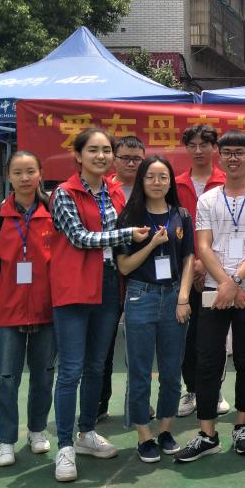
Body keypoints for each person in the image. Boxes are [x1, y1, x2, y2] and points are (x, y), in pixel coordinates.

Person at [49, 127, 150, 482]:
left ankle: (86, 432)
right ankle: (64, 446)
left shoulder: (114, 193)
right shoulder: (64, 193)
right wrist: (127, 234)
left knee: (96, 366)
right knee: (71, 370)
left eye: (106, 150)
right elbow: (79, 238)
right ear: (78, 156)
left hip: (108, 285)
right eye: (93, 150)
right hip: (74, 287)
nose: (101, 156)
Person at [176, 131, 245, 462]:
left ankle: (242, 427)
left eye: (240, 153)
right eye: (228, 152)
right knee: (208, 358)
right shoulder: (208, 199)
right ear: (219, 157)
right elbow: (203, 246)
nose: (234, 158)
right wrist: (225, 284)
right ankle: (207, 434)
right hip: (214, 291)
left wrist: (235, 281)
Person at [0, 152, 56, 467]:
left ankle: (37, 429)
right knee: (7, 377)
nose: (25, 178)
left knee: (44, 375)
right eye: (18, 172)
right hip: (7, 311)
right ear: (8, 176)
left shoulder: (54, 211)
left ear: (41, 173)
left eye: (30, 171)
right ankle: (5, 440)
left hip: (47, 310)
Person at [115, 156, 195, 463]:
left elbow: (188, 258)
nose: (157, 183)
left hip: (174, 295)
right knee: (139, 371)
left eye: (163, 177)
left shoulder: (181, 215)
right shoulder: (129, 217)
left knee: (172, 371)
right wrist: (150, 244)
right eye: (151, 177)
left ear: (171, 181)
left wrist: (184, 297)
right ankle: (143, 435)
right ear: (141, 181)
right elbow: (124, 267)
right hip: (140, 296)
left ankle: (165, 429)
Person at [175, 124, 227, 419]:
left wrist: (206, 265)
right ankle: (192, 389)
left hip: (215, 274)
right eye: (192, 145)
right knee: (187, 334)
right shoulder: (176, 184)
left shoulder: (226, 182)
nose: (198, 150)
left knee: (213, 335)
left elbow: (230, 229)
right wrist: (191, 263)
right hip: (183, 273)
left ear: (214, 148)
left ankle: (214, 389)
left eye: (204, 144)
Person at [98, 134, 146, 423]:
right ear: (114, 160)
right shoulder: (103, 190)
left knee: (140, 349)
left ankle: (137, 405)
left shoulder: (151, 187)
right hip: (108, 276)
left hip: (144, 276)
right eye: (125, 158)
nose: (131, 163)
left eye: (136, 159)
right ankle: (99, 403)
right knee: (103, 345)